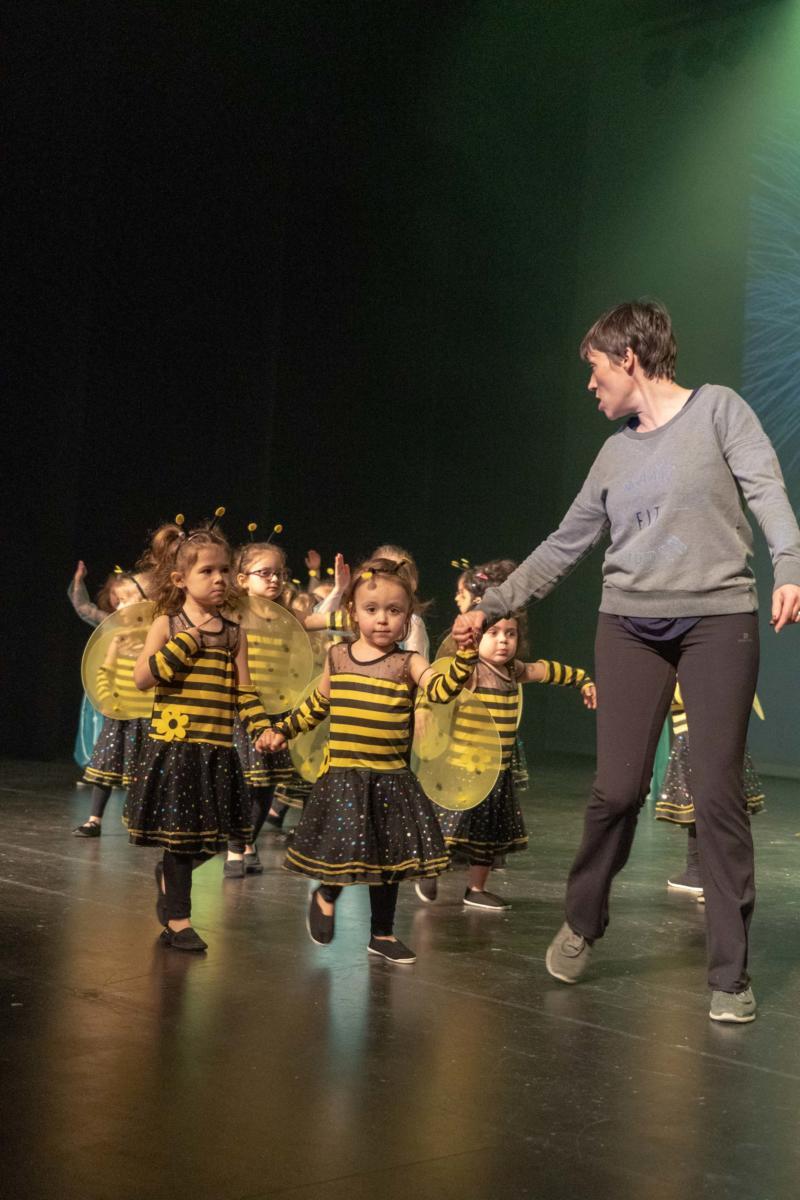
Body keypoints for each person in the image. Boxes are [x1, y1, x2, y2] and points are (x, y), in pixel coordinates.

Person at [453, 300, 800, 1024]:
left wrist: (790, 563)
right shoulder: (614, 453)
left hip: (717, 618)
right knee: (615, 791)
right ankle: (583, 920)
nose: (590, 385)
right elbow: (566, 542)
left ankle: (730, 973)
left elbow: (766, 488)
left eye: (595, 369)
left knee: (716, 793)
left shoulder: (719, 411)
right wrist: (494, 601)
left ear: (628, 358)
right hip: (629, 626)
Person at [259, 557, 476, 965]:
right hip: (345, 776)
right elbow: (316, 704)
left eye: (394, 611)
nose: (382, 619)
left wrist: (464, 658)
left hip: (390, 778)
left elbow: (442, 690)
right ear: (353, 612)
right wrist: (283, 730)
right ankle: (327, 893)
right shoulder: (339, 657)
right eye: (372, 609)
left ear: (408, 617)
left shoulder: (408, 663)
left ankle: (383, 933)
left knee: (389, 859)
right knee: (345, 847)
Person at [126, 517, 272, 951]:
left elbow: (244, 692)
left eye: (225, 569)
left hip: (217, 750)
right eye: (207, 571)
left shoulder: (233, 635)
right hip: (176, 749)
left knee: (220, 835)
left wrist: (263, 728)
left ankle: (172, 878)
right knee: (179, 837)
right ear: (181, 580)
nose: (219, 578)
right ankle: (179, 921)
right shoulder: (168, 625)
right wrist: (184, 643)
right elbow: (142, 678)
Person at [416, 612, 596, 910]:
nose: (503, 641)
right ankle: (429, 869)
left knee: (487, 834)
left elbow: (545, 670)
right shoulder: (470, 671)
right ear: (475, 638)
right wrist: (422, 710)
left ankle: (476, 888)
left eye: (510, 634)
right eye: (494, 633)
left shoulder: (513, 670)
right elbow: (438, 690)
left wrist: (581, 680)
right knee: (448, 829)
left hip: (496, 773)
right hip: (463, 770)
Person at [224, 534, 297, 876]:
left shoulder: (284, 617)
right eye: (265, 573)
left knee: (266, 782)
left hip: (275, 708)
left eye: (279, 573)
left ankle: (248, 843)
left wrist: (343, 597)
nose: (274, 579)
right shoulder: (233, 614)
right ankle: (235, 849)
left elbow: (312, 625)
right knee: (244, 782)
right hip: (242, 710)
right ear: (243, 579)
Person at [656, 682, 765, 898]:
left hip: (699, 735)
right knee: (703, 808)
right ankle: (699, 873)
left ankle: (711, 878)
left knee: (709, 807)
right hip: (715, 734)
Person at [72, 568, 149, 836]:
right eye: (118, 601)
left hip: (146, 716)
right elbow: (105, 671)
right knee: (106, 764)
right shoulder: (119, 635)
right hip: (119, 713)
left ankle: (139, 820)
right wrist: (106, 698)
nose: (119, 607)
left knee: (142, 770)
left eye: (126, 600)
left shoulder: (157, 636)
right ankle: (94, 819)